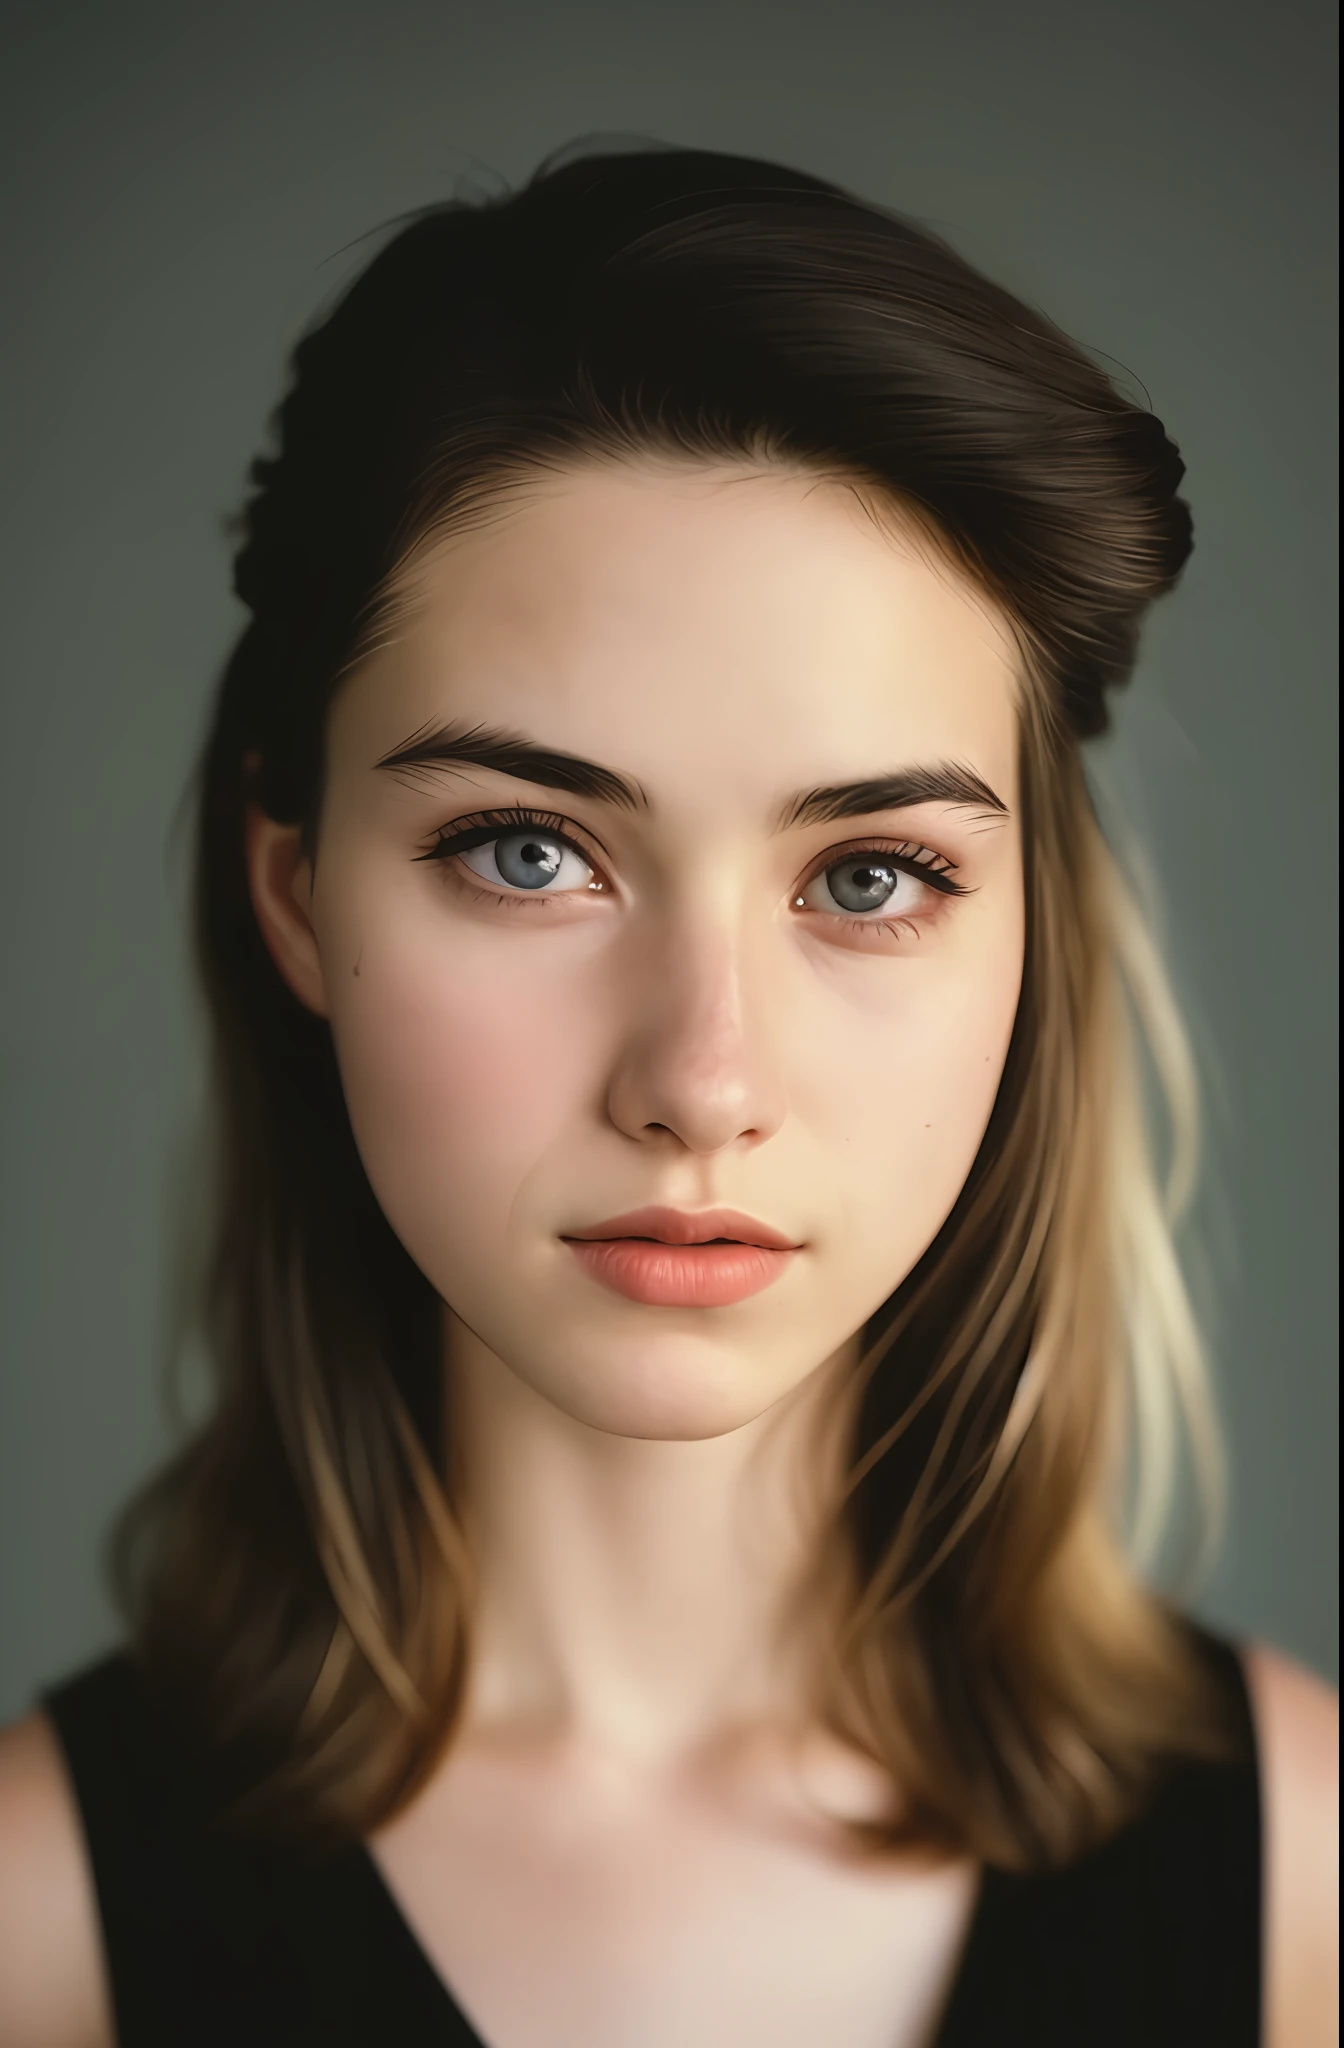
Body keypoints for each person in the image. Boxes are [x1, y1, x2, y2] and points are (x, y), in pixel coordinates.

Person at [0, 141, 1335, 2048]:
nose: (702, 1080)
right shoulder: (38, 1937)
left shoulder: (1307, 1894)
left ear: (1034, 930)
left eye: (870, 875)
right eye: (530, 852)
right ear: (294, 888)